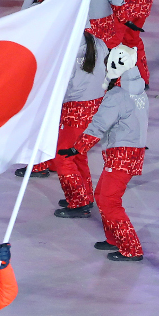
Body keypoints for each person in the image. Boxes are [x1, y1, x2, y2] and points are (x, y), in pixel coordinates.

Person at [63, 44, 147, 261]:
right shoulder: (137, 89)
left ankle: (131, 248)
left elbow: (98, 125)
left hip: (121, 153)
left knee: (109, 201)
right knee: (101, 195)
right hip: (132, 152)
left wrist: (77, 148)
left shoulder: (118, 95)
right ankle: (114, 239)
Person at [48, 30, 108, 216]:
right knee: (77, 154)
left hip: (76, 108)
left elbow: (63, 85)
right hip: (95, 104)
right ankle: (84, 195)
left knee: (63, 157)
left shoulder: (69, 51)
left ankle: (80, 202)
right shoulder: (98, 43)